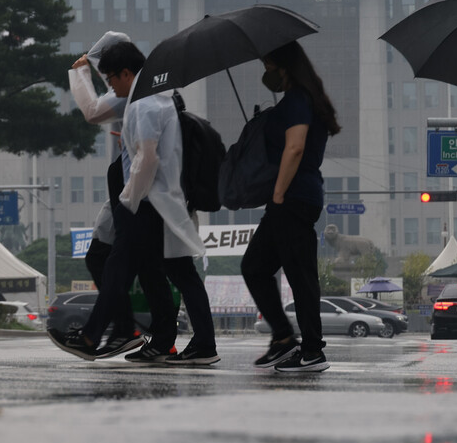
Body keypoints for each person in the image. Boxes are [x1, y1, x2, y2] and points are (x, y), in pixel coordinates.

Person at [51, 42, 218, 365]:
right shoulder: (158, 96)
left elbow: (147, 159)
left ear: (126, 73)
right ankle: (201, 343)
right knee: (177, 272)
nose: (111, 87)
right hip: (163, 203)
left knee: (117, 268)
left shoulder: (143, 104)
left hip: (145, 203)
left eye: (112, 79)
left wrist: (128, 200)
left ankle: (93, 336)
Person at [241, 41, 341, 372]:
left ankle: (312, 351)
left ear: (285, 67)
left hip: (293, 198)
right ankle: (284, 338)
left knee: (301, 276)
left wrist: (280, 193)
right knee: (255, 266)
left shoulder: (299, 99)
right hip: (293, 198)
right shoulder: (297, 100)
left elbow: (295, 148)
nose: (266, 74)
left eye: (269, 67)